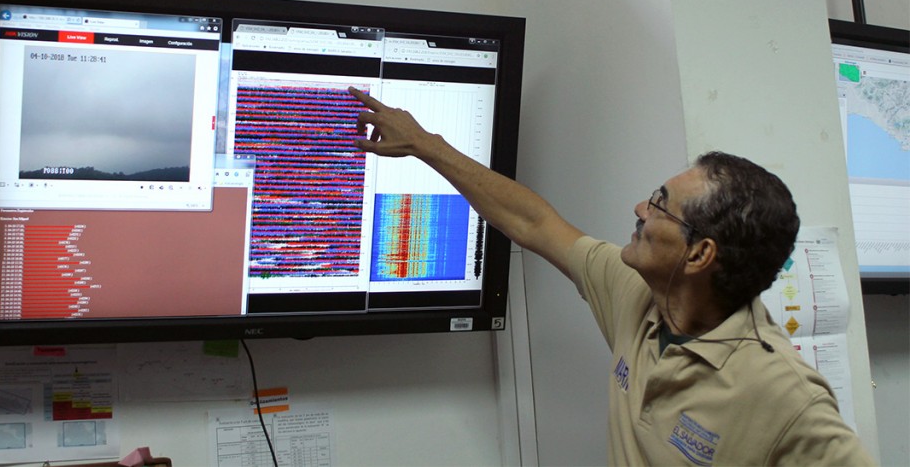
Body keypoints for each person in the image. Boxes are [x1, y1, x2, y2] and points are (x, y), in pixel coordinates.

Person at [348, 86, 874, 466]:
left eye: (660, 205)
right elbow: (534, 222)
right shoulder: (638, 297)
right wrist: (425, 144)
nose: (640, 207)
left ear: (699, 255)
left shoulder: (783, 394)